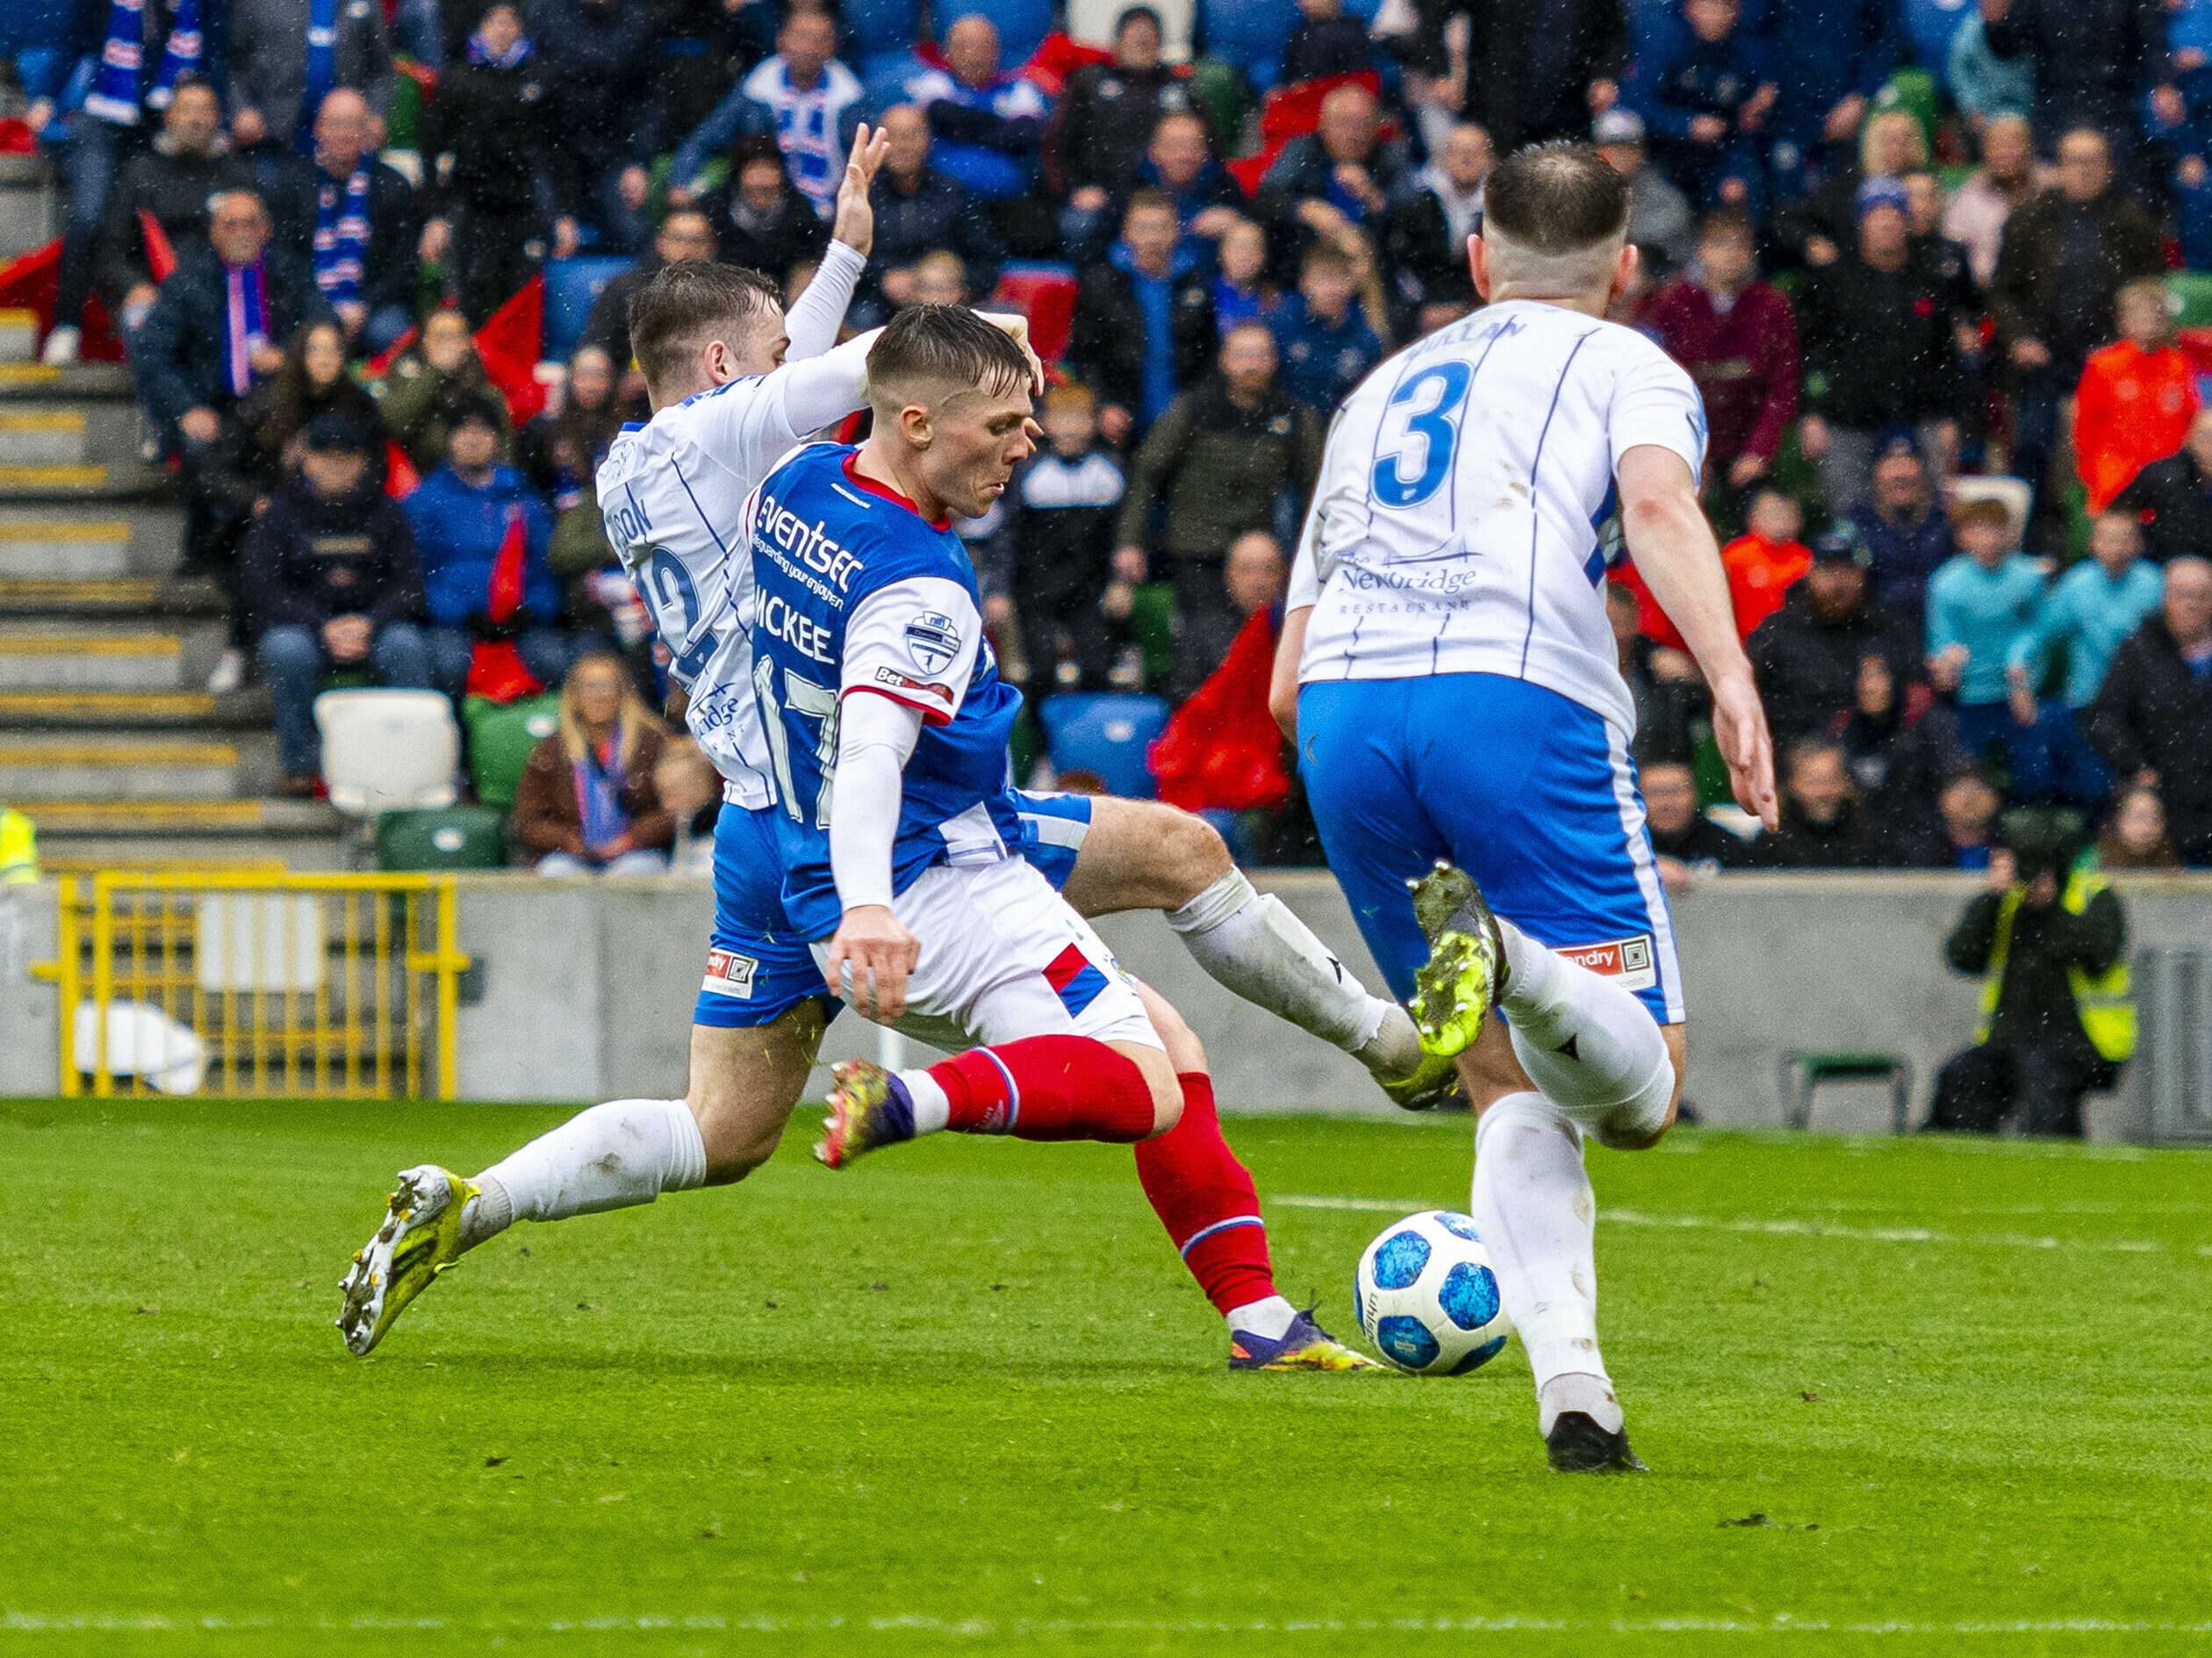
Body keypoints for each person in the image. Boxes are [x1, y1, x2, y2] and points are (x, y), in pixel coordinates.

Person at [339, 137, 1427, 1360]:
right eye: (771, 357)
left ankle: (474, 1202)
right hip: (890, 827)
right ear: (723, 370)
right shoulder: (805, 490)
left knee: (725, 1130)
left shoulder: (684, 467)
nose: (794, 368)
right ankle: (1373, 1082)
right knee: (1150, 1045)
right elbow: (880, 366)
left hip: (765, 820)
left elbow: (815, 373)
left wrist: (849, 248)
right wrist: (979, 331)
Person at [1270, 141, 1780, 1472]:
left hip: (1344, 710)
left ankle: (1576, 1395)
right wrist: (1729, 675)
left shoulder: (1376, 389)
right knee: (1644, 1092)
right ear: (1624, 268)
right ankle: (1516, 957)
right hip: (1513, 699)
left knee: (1502, 1081)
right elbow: (1660, 502)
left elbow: (1281, 681)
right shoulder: (1628, 364)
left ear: (1478, 258)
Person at [1991, 127, 2164, 545]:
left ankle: (2125, 538)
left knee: (2131, 446)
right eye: (2075, 161)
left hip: (2110, 357)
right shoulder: (2031, 217)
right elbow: (2002, 292)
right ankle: (2032, 539)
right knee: (2032, 441)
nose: (2084, 171)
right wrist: (2020, 339)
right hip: (2043, 356)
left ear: (2109, 169)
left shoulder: (2132, 221)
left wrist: (2124, 340)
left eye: (2093, 162)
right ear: (2059, 168)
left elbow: (2151, 289)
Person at [1117, 323, 1323, 673]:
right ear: (1224, 361)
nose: (1252, 364)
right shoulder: (1192, 408)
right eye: (1242, 354)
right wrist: (1129, 541)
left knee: (1261, 647)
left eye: (1261, 354)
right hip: (1197, 551)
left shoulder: (1293, 415)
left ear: (1275, 361)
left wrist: (1314, 553)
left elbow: (1318, 489)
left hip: (1260, 555)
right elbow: (1147, 470)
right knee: (1204, 647)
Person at [245, 413, 431, 791]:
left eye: (345, 457)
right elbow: (263, 589)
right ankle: (299, 766)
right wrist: (321, 626)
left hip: (375, 626)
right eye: (325, 457)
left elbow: (410, 585)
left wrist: (371, 622)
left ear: (362, 461)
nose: (335, 466)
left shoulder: (386, 512)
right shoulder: (279, 514)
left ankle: (413, 760)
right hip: (306, 627)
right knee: (286, 651)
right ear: (307, 460)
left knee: (407, 646)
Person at [1930, 814, 2132, 1138]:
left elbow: (2100, 957)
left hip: (2085, 1041)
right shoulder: (2005, 901)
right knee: (1963, 1073)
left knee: (2044, 1071)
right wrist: (1991, 897)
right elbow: (1963, 956)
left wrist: (2050, 908)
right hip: (2010, 1040)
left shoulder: (2096, 895)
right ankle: (1963, 1169)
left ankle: (2056, 1170)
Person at [1796, 179, 1967, 514]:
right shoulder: (1832, 279)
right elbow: (1811, 351)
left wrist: (1950, 417)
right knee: (1849, 516)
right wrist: (1812, 413)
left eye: (1893, 214)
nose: (1886, 223)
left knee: (1932, 515)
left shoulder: (1931, 278)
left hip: (1922, 414)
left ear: (1906, 221)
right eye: (1876, 215)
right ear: (1862, 222)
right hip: (1849, 417)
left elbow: (1947, 353)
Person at [418, 3, 578, 325]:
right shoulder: (457, 79)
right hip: (472, 205)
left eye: (510, 21)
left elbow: (561, 150)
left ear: (521, 27)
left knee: (523, 301)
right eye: (494, 21)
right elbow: (431, 147)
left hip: (524, 204)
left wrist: (564, 213)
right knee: (469, 299)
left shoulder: (541, 77)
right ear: (481, 26)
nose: (502, 29)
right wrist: (436, 215)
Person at [1634, 208, 1798, 521]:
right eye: (1720, 244)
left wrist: (1758, 451)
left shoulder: (1772, 305)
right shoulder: (1673, 302)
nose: (1731, 254)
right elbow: (1662, 385)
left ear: (1752, 255)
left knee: (1768, 518)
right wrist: (1692, 454)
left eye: (1740, 246)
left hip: (1750, 440)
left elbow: (1782, 389)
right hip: (1690, 437)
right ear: (1702, 251)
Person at [402, 397, 570, 702]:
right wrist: (462, 614)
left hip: (521, 621)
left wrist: (530, 611)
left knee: (554, 661)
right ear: (450, 438)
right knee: (449, 667)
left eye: (483, 431)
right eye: (464, 431)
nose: (474, 439)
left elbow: (545, 565)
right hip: (455, 624)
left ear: (496, 438)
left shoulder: (523, 496)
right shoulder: (425, 500)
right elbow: (420, 571)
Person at [667, 4, 864, 221]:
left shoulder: (850, 97)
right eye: (802, 37)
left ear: (833, 47)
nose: (810, 47)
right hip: (765, 210)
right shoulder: (756, 88)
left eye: (820, 39)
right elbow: (702, 139)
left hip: (831, 211)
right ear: (781, 40)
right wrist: (680, 183)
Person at [1003, 382, 1138, 696]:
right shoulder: (1027, 471)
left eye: (1078, 418)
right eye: (1061, 418)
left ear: (1094, 423)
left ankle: (1088, 739)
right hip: (1035, 589)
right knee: (1040, 673)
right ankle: (1043, 745)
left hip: (1088, 589)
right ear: (1045, 423)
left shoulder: (1111, 469)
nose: (1070, 427)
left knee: (1096, 667)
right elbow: (1008, 534)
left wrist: (1123, 583)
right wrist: (1000, 589)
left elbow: (1124, 534)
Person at [93, 77, 255, 339]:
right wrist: (134, 285)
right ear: (168, 117)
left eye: (205, 110)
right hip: (156, 295)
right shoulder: (139, 174)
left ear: (217, 119)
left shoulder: (237, 176)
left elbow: (261, 244)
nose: (195, 119)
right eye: (186, 109)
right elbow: (111, 252)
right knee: (140, 320)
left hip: (223, 296)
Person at [265, 88, 423, 353]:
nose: (344, 133)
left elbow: (403, 264)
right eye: (335, 123)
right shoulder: (291, 183)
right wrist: (326, 311)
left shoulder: (394, 186)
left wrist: (365, 306)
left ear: (366, 131)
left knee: (394, 334)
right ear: (318, 129)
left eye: (353, 124)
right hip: (307, 303)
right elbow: (284, 258)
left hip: (372, 308)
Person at [1066, 190, 1220, 444]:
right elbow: (1085, 356)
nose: (1153, 237)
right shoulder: (1100, 283)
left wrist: (1198, 406)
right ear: (1126, 232)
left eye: (1161, 228)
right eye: (1144, 228)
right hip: (1122, 420)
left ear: (1176, 232)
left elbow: (1209, 355)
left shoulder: (1196, 283)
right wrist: (1103, 406)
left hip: (1184, 421)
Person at [2086, 556, 2212, 864]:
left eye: (2202, 595)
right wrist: (2135, 764)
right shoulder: (2139, 650)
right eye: (2182, 594)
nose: (2191, 604)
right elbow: (2104, 718)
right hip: (2162, 801)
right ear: (2165, 599)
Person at [1746, 526, 1916, 742]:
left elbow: (1916, 684)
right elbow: (1748, 686)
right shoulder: (1779, 629)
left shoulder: (1888, 623)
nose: (1838, 581)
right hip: (1796, 752)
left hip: (1877, 749)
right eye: (1828, 570)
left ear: (1860, 575)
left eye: (1845, 569)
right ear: (1810, 575)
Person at [514, 653, 676, 875]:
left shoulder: (651, 742)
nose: (598, 696)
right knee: (556, 872)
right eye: (590, 686)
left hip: (637, 852)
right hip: (572, 855)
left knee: (634, 872)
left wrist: (631, 839)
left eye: (606, 686)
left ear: (621, 693)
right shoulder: (551, 750)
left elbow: (675, 809)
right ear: (575, 696)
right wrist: (571, 842)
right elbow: (530, 821)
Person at [856, 104, 1004, 327]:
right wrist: (881, 279)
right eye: (894, 135)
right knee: (861, 317)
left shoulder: (954, 194)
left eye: (913, 134)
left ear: (928, 139)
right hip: (879, 304)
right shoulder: (862, 196)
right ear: (878, 144)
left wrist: (953, 282)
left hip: (948, 306)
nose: (904, 144)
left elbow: (987, 261)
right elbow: (840, 258)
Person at [1047, 6, 1195, 231]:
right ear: (1118, 42)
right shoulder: (1090, 82)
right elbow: (1060, 145)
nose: (1142, 44)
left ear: (1160, 43)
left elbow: (1209, 151)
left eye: (1148, 39)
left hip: (1169, 199)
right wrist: (1076, 188)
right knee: (1080, 227)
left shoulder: (1180, 88)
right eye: (1136, 38)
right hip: (1103, 196)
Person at [1927, 495, 2048, 768]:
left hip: (2020, 691)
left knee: (2031, 770)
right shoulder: (1946, 584)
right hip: (1970, 696)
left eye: (1996, 529)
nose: (1989, 539)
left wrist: (2018, 666)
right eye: (1978, 530)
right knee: (1971, 770)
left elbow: (2038, 627)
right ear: (1962, 536)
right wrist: (1946, 664)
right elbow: (1941, 640)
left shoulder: (2028, 577)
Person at [1630, 0, 1774, 212]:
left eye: (1723, 7)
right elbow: (1637, 103)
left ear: (1737, 12)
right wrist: (1685, 125)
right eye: (1707, 6)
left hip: (1723, 154)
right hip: (1666, 154)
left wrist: (1736, 169)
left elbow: (1750, 127)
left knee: (1741, 189)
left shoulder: (1749, 55)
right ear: (1689, 9)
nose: (1715, 15)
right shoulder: (1665, 45)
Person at [894, 14, 1051, 202]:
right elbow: (944, 116)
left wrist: (964, 128)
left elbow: (1022, 136)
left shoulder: (1021, 88)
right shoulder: (935, 82)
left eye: (983, 46)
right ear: (947, 52)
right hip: (940, 201)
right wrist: (999, 130)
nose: (973, 56)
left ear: (997, 51)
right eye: (963, 47)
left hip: (1006, 204)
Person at [2073, 278, 2199, 514]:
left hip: (2168, 475)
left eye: (2157, 316)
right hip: (2118, 474)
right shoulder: (2103, 364)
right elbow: (2085, 428)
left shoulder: (2178, 364)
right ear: (2123, 322)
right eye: (2142, 316)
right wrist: (2091, 478)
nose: (2150, 323)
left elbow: (2191, 421)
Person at [226, 0, 392, 161]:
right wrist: (242, 108)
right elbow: (234, 64)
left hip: (345, 137)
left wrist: (376, 112)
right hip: (273, 134)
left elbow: (381, 69)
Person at [577, 212, 721, 385]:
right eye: (678, 238)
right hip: (632, 396)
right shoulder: (626, 289)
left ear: (711, 245)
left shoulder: (728, 294)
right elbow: (596, 340)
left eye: (696, 240)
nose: (687, 247)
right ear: (661, 243)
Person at [373, 307, 513, 475]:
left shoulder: (487, 394)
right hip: (424, 483)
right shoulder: (405, 377)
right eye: (440, 337)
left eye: (455, 337)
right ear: (423, 344)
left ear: (467, 344)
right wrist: (435, 372)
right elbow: (393, 425)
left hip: (479, 486)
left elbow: (505, 458)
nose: (448, 345)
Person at [1380, 123, 1490, 334]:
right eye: (1459, 151)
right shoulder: (1415, 204)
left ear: (1488, 159)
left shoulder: (1498, 211)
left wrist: (1468, 309)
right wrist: (1419, 310)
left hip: (1476, 315)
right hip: (1422, 312)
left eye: (1475, 151)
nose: (1466, 158)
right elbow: (1398, 266)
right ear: (1446, 157)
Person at [1269, 241, 1385, 416]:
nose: (1333, 289)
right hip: (1290, 428)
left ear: (1352, 284)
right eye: (1323, 279)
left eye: (1340, 279)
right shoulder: (1282, 326)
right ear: (1305, 283)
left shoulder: (1366, 340)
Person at [1850, 439, 1955, 628]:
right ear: (1876, 475)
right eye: (1891, 465)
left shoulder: (1946, 519)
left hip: (1942, 625)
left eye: (1907, 464)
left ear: (1923, 472)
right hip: (1880, 628)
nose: (1900, 474)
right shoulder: (1857, 524)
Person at [694, 143, 830, 285]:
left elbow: (810, 256)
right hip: (727, 288)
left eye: (769, 170)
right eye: (754, 170)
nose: (761, 181)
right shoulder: (715, 207)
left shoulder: (800, 212)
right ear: (740, 175)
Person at [1940, 113, 2048, 290]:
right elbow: (1952, 253)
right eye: (1995, 145)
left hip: (2045, 294)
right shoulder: (1968, 196)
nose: (2003, 152)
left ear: (2029, 147)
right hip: (1986, 293)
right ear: (1984, 152)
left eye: (2011, 143)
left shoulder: (2051, 189)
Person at [1746, 737, 1885, 866]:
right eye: (1813, 782)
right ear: (1793, 784)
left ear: (1846, 782)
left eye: (1832, 780)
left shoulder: (1872, 838)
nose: (1823, 792)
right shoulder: (1772, 843)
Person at [1591, 108, 1696, 276]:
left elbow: (1682, 262)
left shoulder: (1666, 199)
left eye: (1628, 146)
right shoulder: (1578, 193)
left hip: (1653, 291)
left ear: (1642, 150)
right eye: (1611, 145)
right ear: (1596, 150)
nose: (1620, 153)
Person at [2114, 406, 2212, 563]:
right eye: (2206, 438)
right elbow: (2121, 511)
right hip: (2161, 567)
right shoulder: (2160, 475)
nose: (2211, 447)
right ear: (2189, 440)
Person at [1641, 757, 1749, 890]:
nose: (1666, 803)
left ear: (1694, 794)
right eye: (1655, 793)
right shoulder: (1625, 845)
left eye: (1675, 791)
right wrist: (1643, 867)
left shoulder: (1725, 844)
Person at [1718, 484, 1811, 639]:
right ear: (1752, 519)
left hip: (1793, 644)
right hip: (1743, 643)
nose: (1779, 520)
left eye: (1785, 514)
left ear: (1798, 521)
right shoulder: (1734, 556)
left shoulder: (1807, 560)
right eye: (1771, 514)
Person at [2095, 784, 2182, 869]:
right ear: (2122, 821)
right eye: (2137, 816)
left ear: (2162, 825)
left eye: (2153, 817)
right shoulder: (2098, 858)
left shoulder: (2170, 858)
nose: (2145, 825)